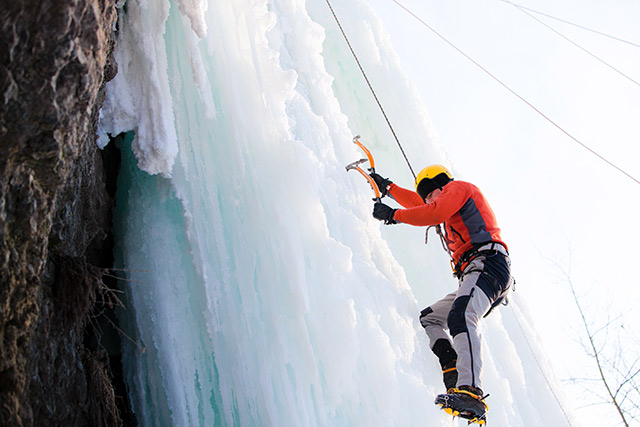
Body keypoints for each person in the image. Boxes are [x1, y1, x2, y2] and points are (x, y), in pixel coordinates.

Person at [370, 164, 512, 420]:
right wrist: (388, 188)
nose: (426, 201)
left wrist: (394, 215)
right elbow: (419, 205)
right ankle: (453, 371)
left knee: (461, 316)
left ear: (440, 186)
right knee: (430, 319)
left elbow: (433, 210)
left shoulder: (458, 189)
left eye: (429, 195)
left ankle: (471, 392)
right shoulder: (443, 199)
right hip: (477, 271)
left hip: (488, 263)